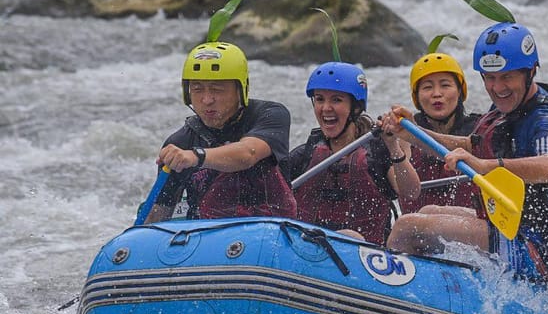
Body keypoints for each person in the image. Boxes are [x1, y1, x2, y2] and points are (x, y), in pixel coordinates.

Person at [384, 20, 548, 285]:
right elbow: (471, 145)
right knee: (427, 210)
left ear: (530, 72)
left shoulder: (544, 119)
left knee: (408, 227)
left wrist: (484, 166)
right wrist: (412, 134)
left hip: (539, 248)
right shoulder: (508, 109)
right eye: (490, 78)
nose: (498, 88)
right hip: (511, 227)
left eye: (507, 77)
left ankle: (393, 291)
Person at [143, 41, 297, 223]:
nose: (207, 100)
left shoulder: (270, 115)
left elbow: (248, 154)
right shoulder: (179, 143)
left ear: (240, 90)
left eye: (217, 89)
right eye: (197, 89)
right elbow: (159, 214)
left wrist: (195, 157)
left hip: (272, 228)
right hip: (207, 233)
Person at [288, 61, 420, 245]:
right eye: (319, 99)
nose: (326, 108)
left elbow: (411, 192)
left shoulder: (376, 153)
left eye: (336, 100)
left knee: (351, 236)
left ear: (355, 107)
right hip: (308, 252)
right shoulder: (304, 155)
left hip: (367, 255)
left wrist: (393, 146)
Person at [401, 50, 482, 214]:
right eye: (427, 87)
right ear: (417, 97)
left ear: (459, 91)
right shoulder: (402, 132)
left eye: (445, 85)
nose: (437, 94)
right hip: (417, 227)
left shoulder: (480, 129)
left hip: (468, 222)